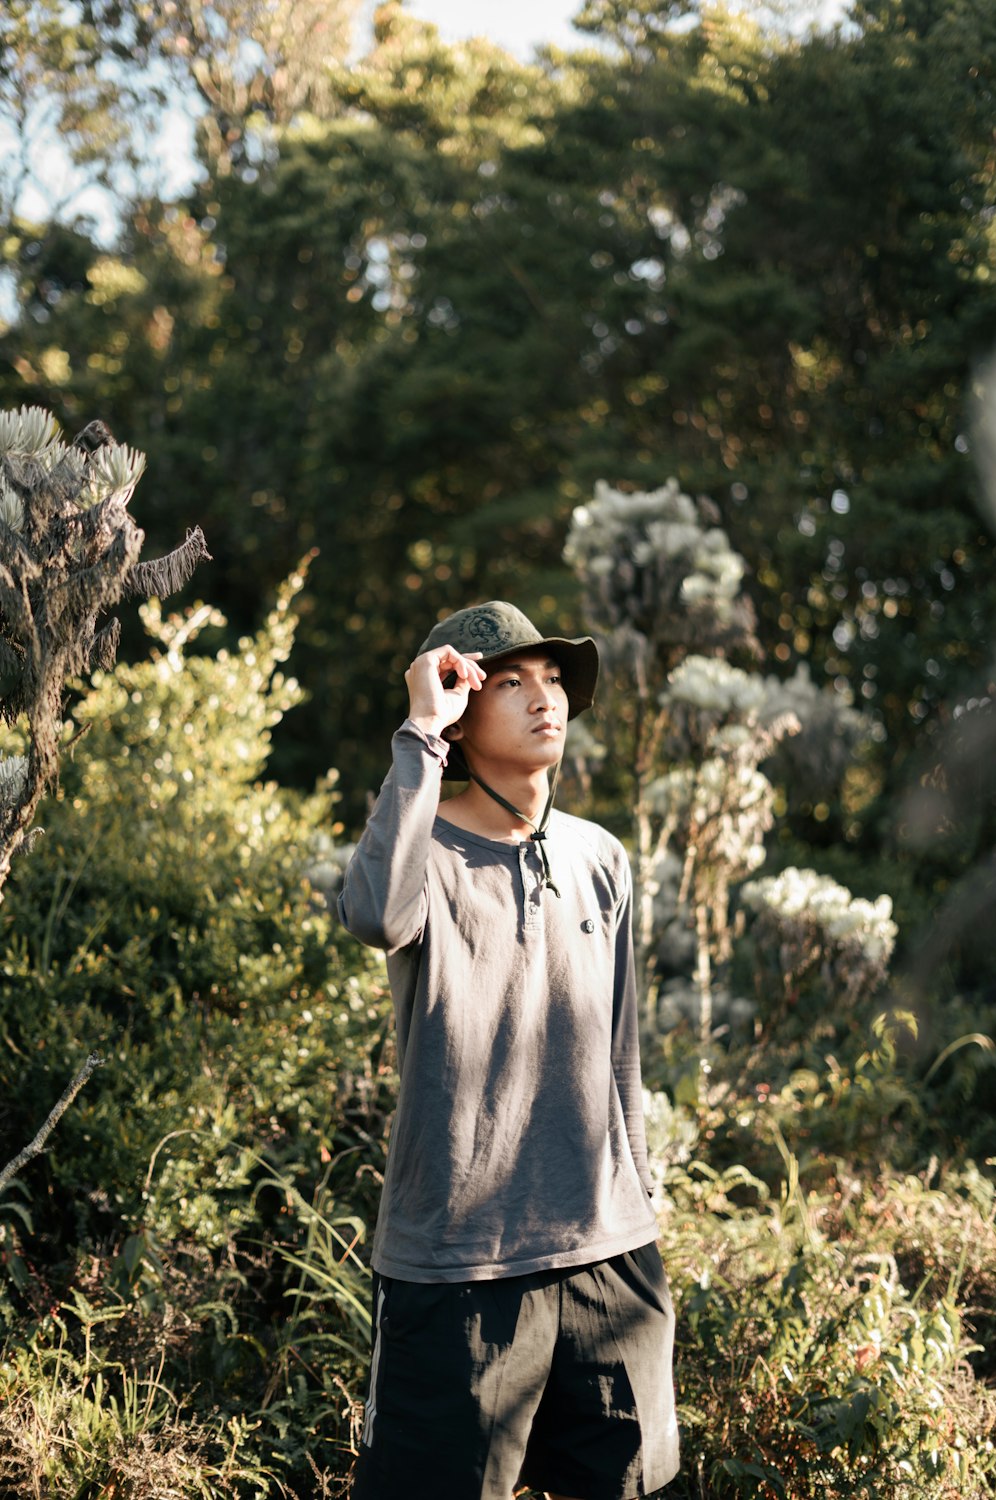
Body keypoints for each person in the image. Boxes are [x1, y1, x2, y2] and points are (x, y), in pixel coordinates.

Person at [338, 600, 679, 1500]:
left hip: (608, 1262)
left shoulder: (602, 857)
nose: (546, 699)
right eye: (514, 681)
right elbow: (374, 914)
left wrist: (641, 1205)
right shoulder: (426, 850)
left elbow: (622, 1054)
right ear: (463, 709)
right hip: (458, 1273)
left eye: (556, 679)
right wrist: (420, 729)